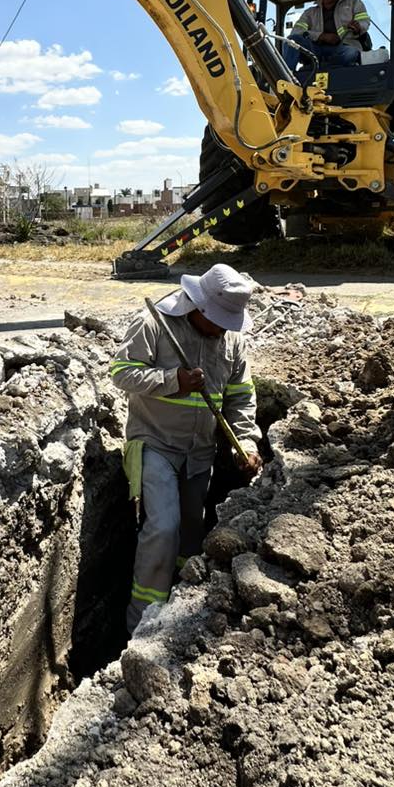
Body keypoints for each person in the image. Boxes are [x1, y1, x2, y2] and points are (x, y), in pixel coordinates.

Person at [109, 263, 261, 634]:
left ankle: (179, 604)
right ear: (199, 306)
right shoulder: (155, 325)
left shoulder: (231, 342)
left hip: (200, 454)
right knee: (163, 527)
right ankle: (142, 624)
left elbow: (240, 399)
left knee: (192, 534)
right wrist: (171, 380)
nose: (224, 328)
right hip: (155, 443)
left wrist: (246, 440)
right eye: (219, 320)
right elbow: (121, 372)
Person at [283, 0, 371, 77]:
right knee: (292, 41)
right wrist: (321, 36)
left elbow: (364, 21)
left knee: (350, 53)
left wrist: (358, 27)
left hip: (343, 47)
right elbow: (297, 31)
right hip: (316, 51)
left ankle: (323, 67)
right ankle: (285, 77)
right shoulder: (310, 13)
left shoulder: (353, 3)